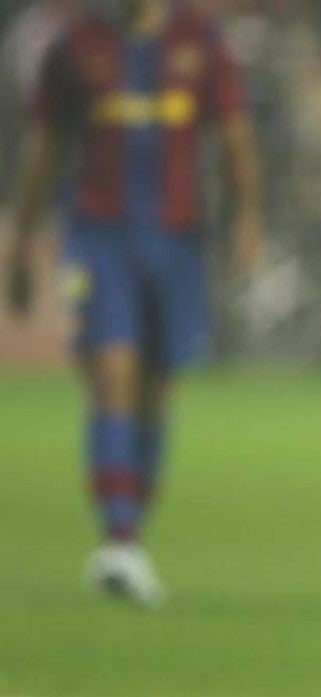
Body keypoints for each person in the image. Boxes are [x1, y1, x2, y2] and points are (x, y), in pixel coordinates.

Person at [5, 0, 263, 607]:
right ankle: (117, 535)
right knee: (111, 373)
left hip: (178, 239)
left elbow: (233, 139)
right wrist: (21, 241)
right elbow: (44, 146)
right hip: (100, 235)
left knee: (156, 389)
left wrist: (245, 219)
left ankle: (129, 538)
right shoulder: (74, 46)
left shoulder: (203, 43)